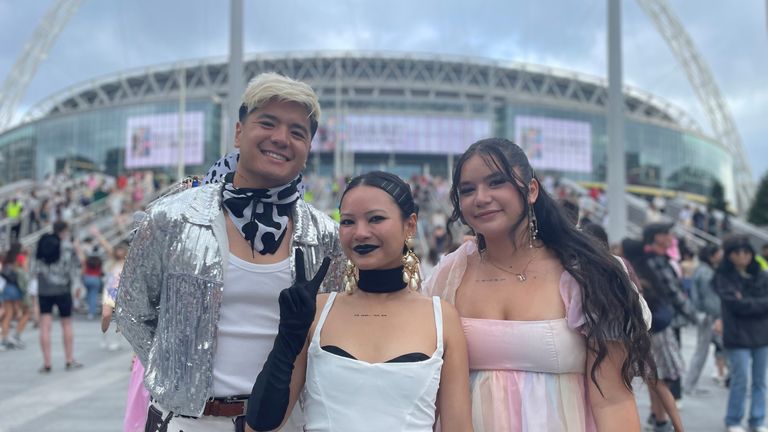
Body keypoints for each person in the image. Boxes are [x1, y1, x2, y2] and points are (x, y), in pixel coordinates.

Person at [116, 72, 344, 432]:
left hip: (281, 423)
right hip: (187, 421)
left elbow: (330, 330)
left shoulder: (326, 236)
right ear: (239, 132)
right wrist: (176, 376)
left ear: (308, 149)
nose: (281, 139)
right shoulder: (172, 217)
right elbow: (131, 310)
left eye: (297, 132)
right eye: (267, 123)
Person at [424, 138, 653, 431]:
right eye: (467, 190)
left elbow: (613, 402)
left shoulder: (590, 274)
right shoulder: (449, 274)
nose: (480, 198)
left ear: (531, 190)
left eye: (496, 183)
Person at [244, 171, 472, 432]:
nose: (360, 233)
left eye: (376, 219)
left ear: (410, 225)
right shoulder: (317, 311)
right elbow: (259, 426)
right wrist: (287, 337)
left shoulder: (442, 318)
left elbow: (458, 426)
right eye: (348, 221)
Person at [622, 239, 686, 432]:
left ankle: (660, 419)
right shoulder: (643, 268)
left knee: (655, 380)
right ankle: (662, 419)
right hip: (655, 330)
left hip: (645, 332)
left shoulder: (625, 267)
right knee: (658, 380)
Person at [713, 235, 768, 432]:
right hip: (736, 336)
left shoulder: (762, 275)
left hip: (762, 335)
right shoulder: (723, 277)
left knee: (761, 381)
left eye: (746, 252)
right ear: (729, 255)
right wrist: (754, 303)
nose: (742, 256)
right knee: (740, 379)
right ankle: (734, 419)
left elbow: (758, 303)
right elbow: (734, 305)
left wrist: (746, 301)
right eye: (737, 252)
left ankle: (757, 419)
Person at [33, 220, 83, 372]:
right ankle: (69, 360)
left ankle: (47, 363)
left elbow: (33, 266)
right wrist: (77, 285)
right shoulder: (67, 246)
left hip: (44, 290)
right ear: (64, 231)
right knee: (66, 323)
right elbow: (76, 267)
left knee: (45, 325)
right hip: (63, 290)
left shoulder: (41, 243)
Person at [684, 243, 725, 394]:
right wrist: (718, 315)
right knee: (702, 351)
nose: (721, 256)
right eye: (719, 253)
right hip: (708, 316)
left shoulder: (702, 270)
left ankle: (691, 384)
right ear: (712, 256)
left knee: (708, 349)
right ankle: (689, 385)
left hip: (706, 315)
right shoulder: (707, 272)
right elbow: (710, 299)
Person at [0, 244, 30, 350]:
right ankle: (14, 336)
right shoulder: (20, 257)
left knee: (8, 313)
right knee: (23, 312)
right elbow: (25, 272)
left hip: (6, 287)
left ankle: (5, 338)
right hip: (15, 288)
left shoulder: (7, 258)